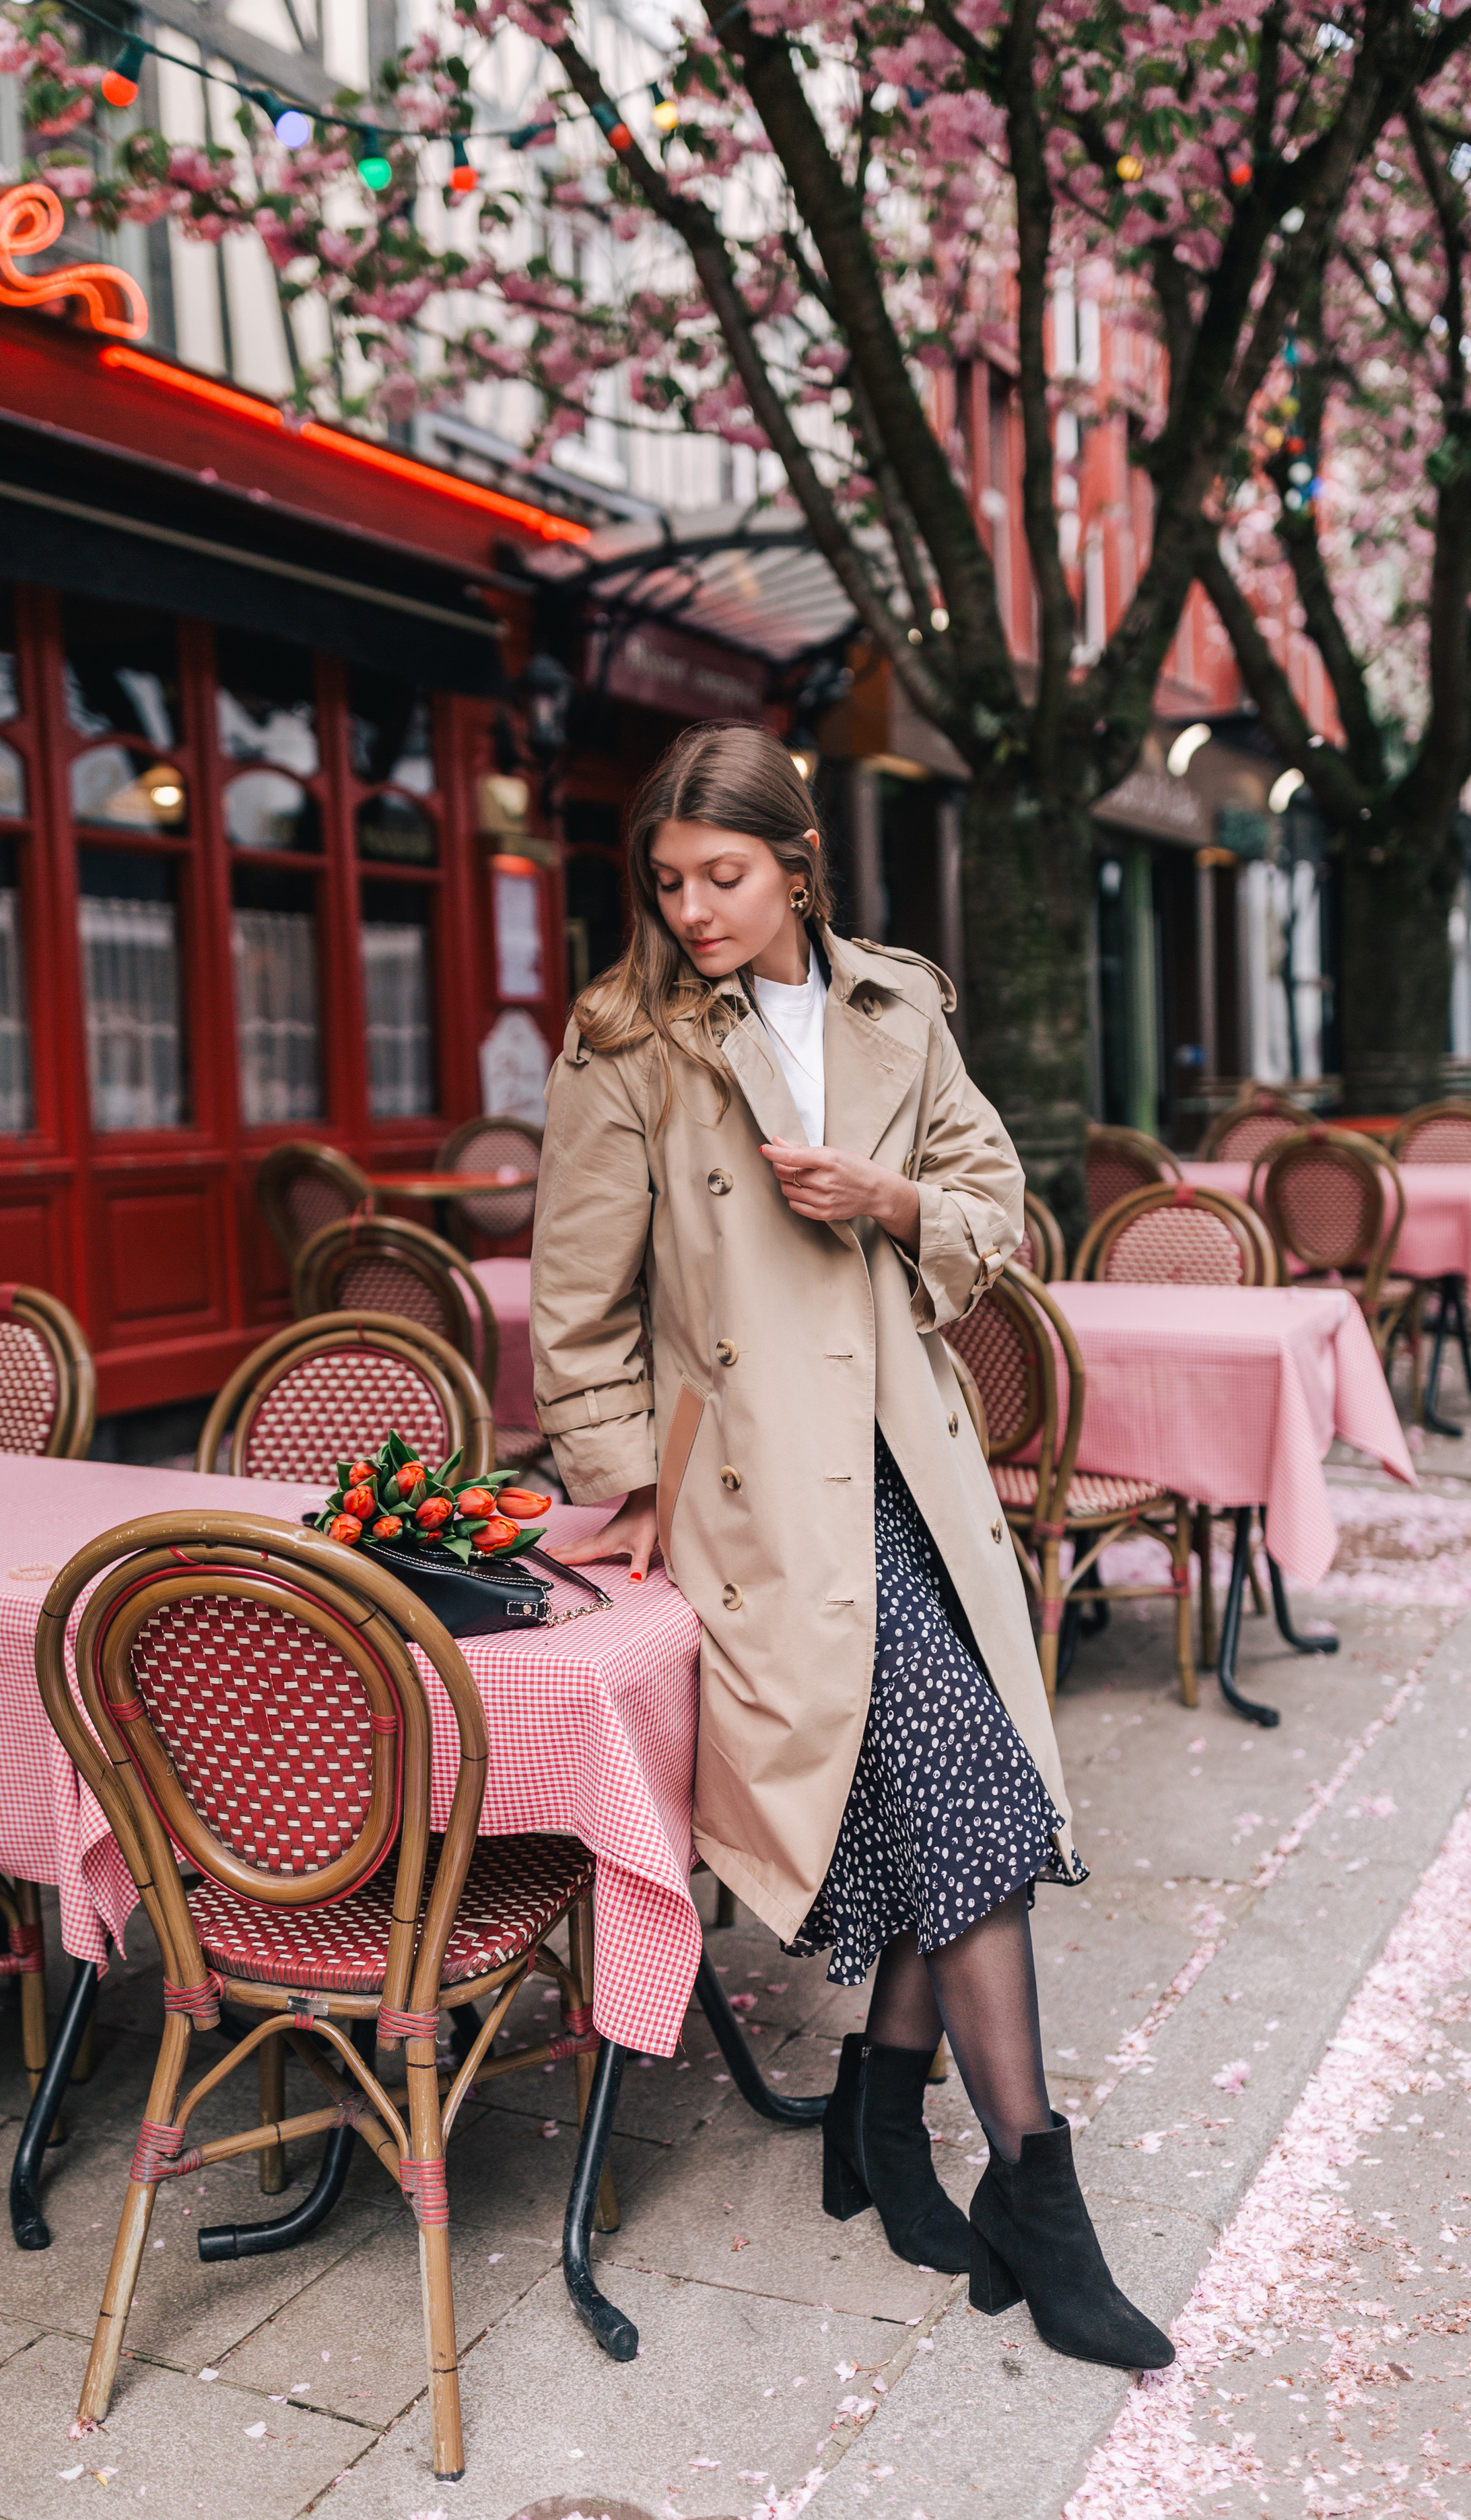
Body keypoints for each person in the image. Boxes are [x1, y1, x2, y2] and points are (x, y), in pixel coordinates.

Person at [530, 724, 1171, 2373]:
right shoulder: (626, 1043)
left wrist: (886, 1202)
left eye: (723, 875)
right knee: (968, 1791)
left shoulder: (895, 1005)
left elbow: (989, 1201)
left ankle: (879, 2123)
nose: (692, 910)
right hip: (756, 1492)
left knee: (934, 1799)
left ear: (798, 867)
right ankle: (1037, 2195)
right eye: (667, 882)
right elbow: (575, 1310)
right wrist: (636, 1488)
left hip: (910, 1466)